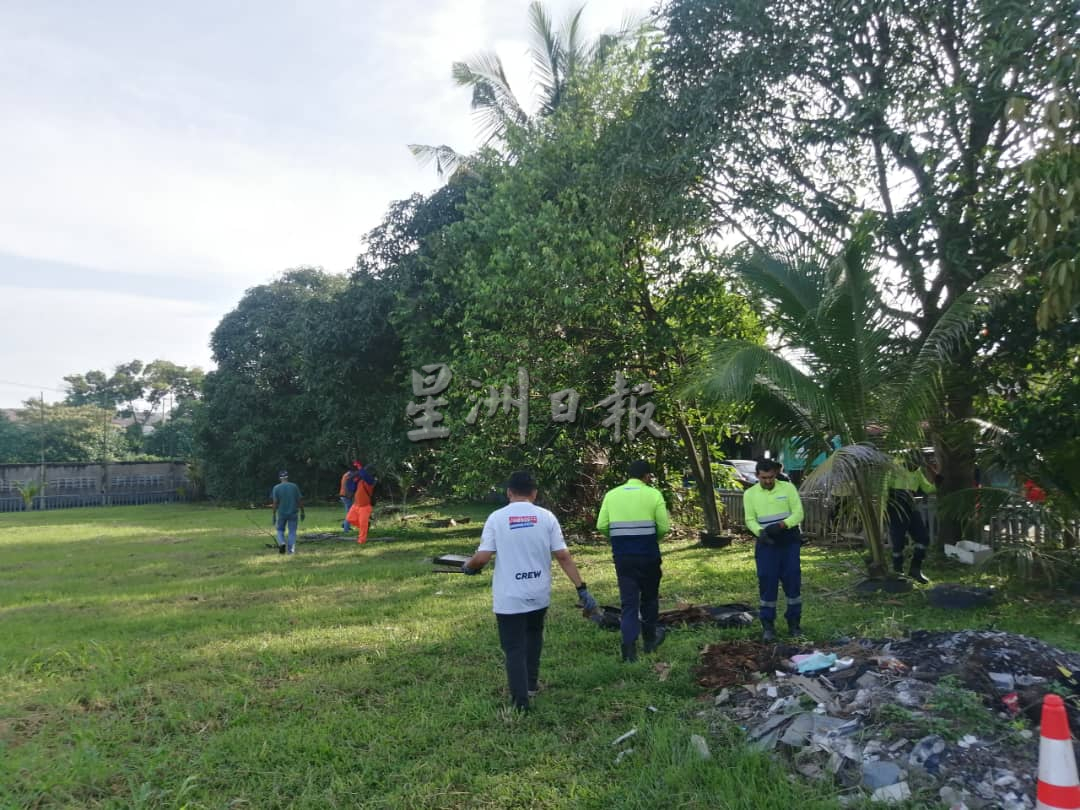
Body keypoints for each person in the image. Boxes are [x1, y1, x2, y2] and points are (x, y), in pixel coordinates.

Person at [461, 470, 597, 712]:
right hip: (539, 593)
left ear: (509, 493)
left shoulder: (497, 518)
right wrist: (581, 587)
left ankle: (520, 702)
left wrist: (469, 567)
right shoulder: (546, 517)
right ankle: (531, 686)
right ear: (534, 493)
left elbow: (482, 557)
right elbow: (563, 556)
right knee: (534, 639)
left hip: (509, 597)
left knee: (514, 647)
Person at [596, 459, 670, 663]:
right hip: (648, 556)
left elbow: (601, 525)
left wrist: (619, 538)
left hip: (623, 557)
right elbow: (663, 526)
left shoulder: (612, 495)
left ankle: (629, 651)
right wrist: (650, 538)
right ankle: (649, 641)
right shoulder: (654, 494)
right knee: (649, 599)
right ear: (646, 476)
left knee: (629, 603)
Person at [743, 458, 804, 641]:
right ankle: (768, 626)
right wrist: (759, 533)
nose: (768, 481)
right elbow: (749, 519)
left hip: (788, 541)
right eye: (764, 478)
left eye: (770, 477)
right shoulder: (750, 494)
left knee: (792, 580)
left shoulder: (788, 488)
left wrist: (783, 525)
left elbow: (799, 513)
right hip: (766, 544)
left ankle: (794, 624)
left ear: (775, 474)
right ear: (757, 476)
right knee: (767, 582)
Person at [885, 453, 937, 584]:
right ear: (905, 462)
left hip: (911, 504)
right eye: (913, 465)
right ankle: (898, 572)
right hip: (895, 504)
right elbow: (884, 488)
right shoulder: (894, 468)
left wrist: (938, 479)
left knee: (923, 538)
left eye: (918, 465)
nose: (915, 468)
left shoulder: (918, 471)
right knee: (898, 541)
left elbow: (927, 488)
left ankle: (915, 570)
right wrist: (884, 507)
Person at [271, 471, 304, 555]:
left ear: (279, 478)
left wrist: (274, 514)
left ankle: (282, 542)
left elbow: (275, 502)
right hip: (293, 513)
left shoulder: (276, 488)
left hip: (281, 513)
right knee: (292, 531)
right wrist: (302, 512)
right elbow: (299, 500)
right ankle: (291, 551)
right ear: (287, 477)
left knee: (280, 530)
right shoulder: (294, 486)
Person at [347, 462, 376, 544]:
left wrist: (360, 468)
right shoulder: (359, 481)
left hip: (365, 507)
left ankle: (361, 540)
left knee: (363, 525)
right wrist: (352, 479)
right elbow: (350, 488)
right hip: (355, 505)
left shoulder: (370, 482)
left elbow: (366, 476)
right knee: (350, 519)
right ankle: (366, 527)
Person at [338, 462, 361, 532]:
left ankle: (345, 525)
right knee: (350, 513)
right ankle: (346, 529)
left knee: (351, 512)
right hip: (346, 496)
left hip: (345, 495)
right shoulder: (350, 475)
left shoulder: (347, 474)